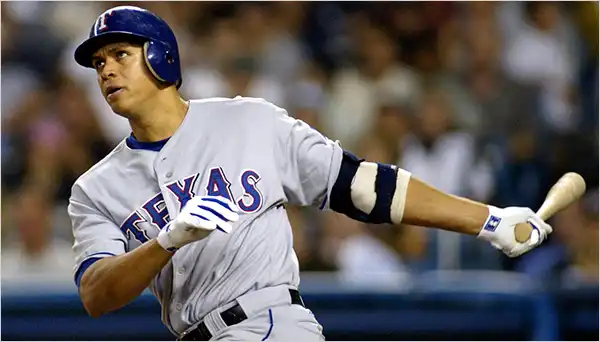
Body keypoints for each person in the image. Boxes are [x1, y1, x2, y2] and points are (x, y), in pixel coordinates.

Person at [69, 6, 553, 342]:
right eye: (98, 63)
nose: (106, 71)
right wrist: (165, 243)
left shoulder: (248, 120)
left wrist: (488, 220)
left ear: (160, 56)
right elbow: (95, 294)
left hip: (270, 323)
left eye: (120, 55)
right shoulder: (95, 188)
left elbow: (364, 187)